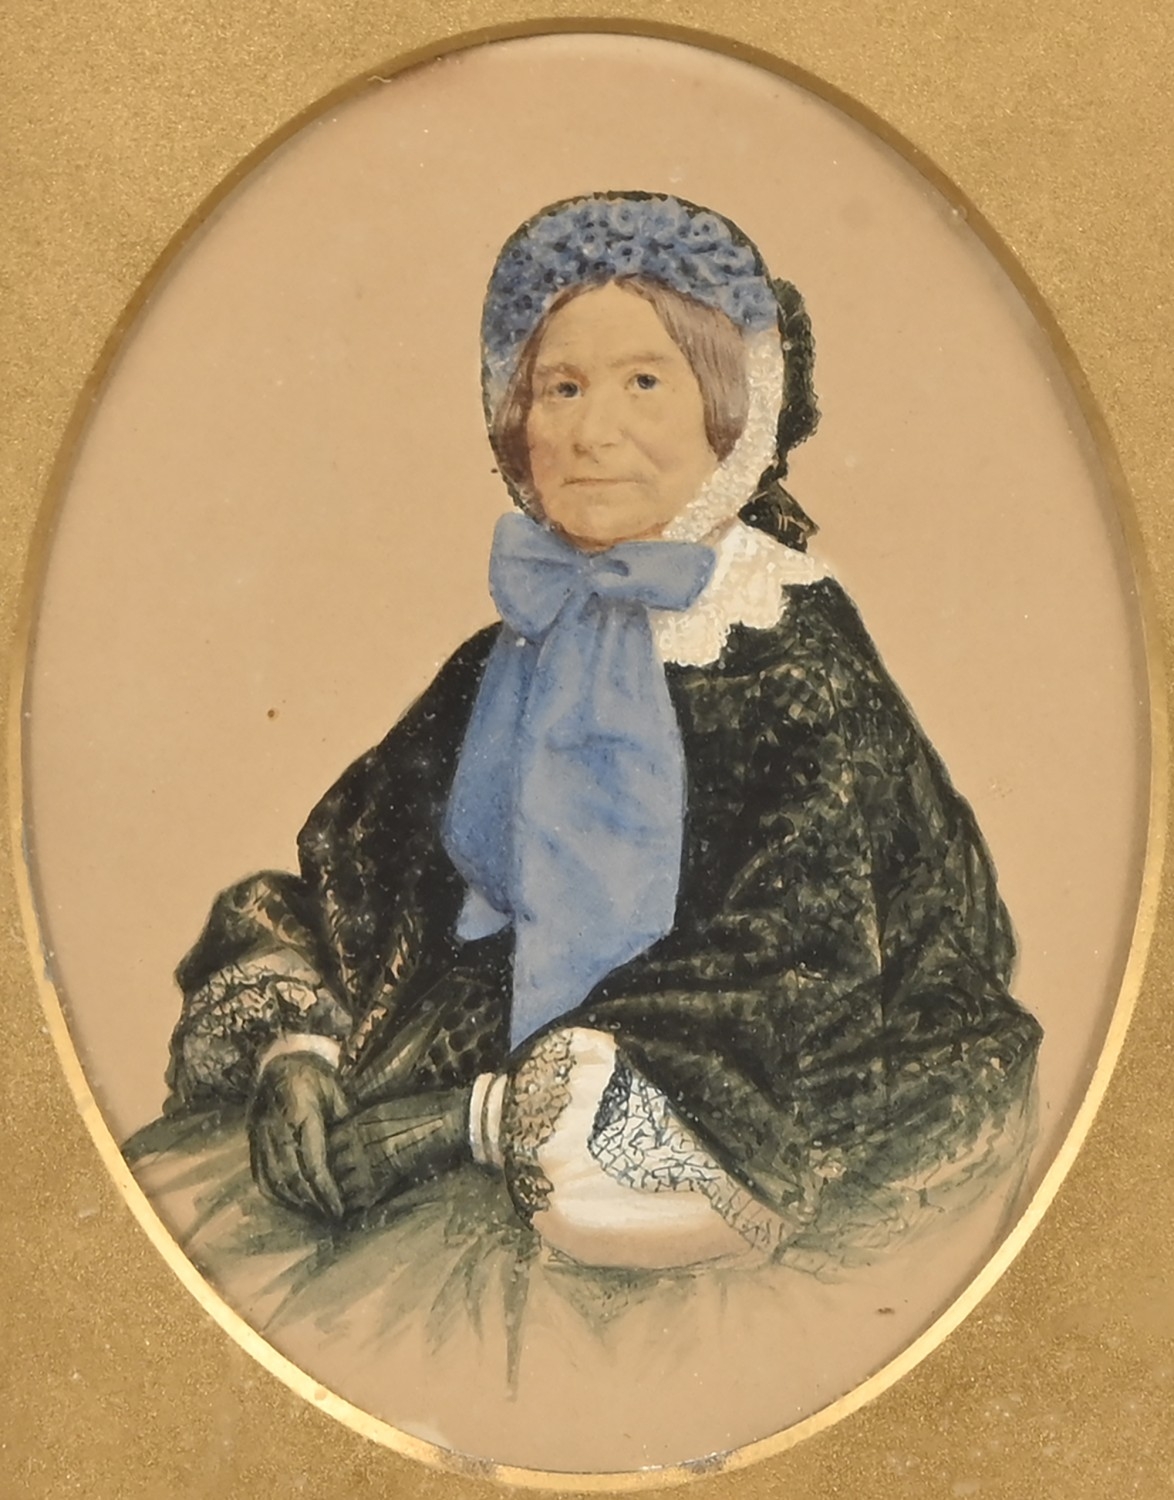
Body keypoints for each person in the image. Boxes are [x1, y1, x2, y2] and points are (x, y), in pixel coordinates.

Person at [138, 192, 1041, 1277]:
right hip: (448, 1059)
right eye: (559, 388)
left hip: (692, 1120)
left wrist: (475, 1120)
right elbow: (360, 873)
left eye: (643, 383)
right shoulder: (511, 651)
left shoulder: (790, 664)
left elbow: (797, 983)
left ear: (733, 411)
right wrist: (299, 1048)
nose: (589, 431)